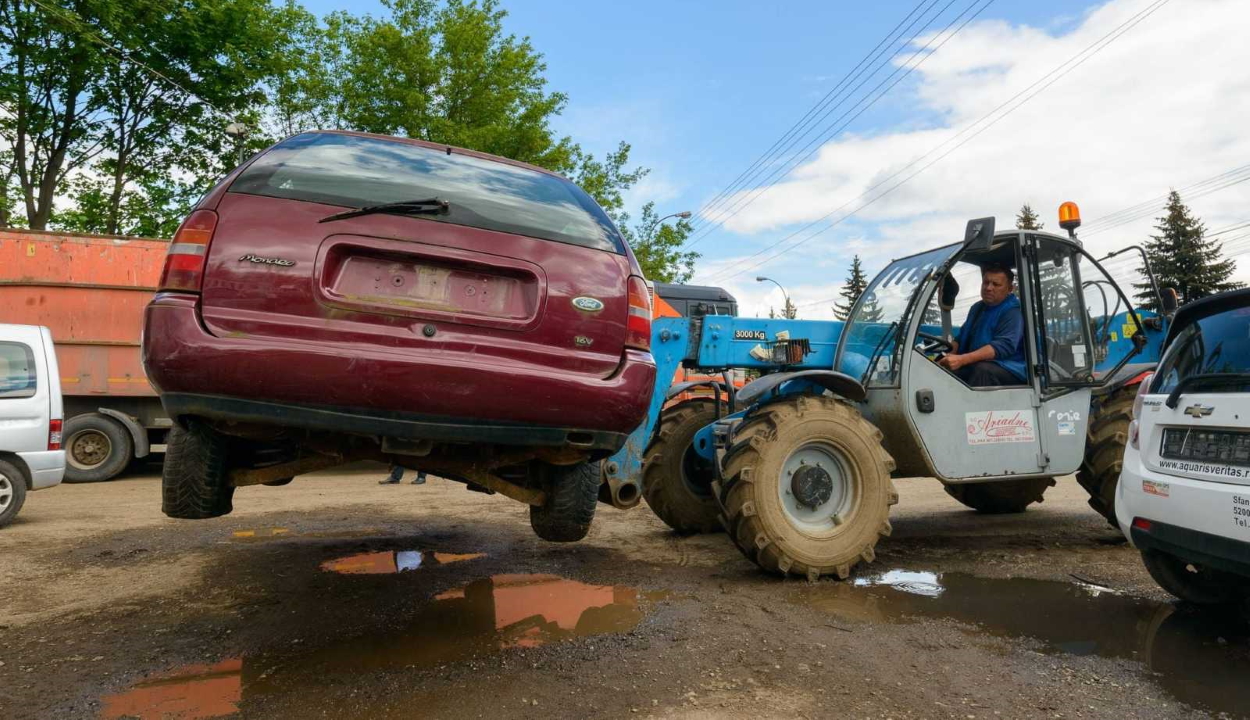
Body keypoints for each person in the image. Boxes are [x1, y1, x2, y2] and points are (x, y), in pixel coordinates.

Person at [937, 263, 1027, 387]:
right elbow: (961, 338)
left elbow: (1004, 346)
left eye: (996, 284)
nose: (989, 288)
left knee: (982, 371)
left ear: (1010, 289)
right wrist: (945, 356)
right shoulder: (977, 308)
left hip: (1010, 367)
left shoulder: (1013, 311)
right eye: (986, 283)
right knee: (941, 371)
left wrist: (962, 359)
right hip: (977, 364)